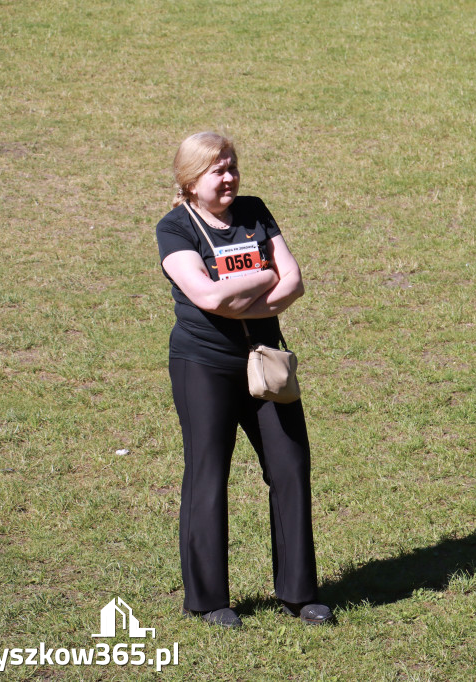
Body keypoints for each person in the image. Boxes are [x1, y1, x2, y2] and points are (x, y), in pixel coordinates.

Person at [155, 132, 332, 626]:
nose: (230, 177)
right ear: (192, 181)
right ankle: (209, 601)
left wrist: (240, 292)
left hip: (265, 358)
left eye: (232, 166)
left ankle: (299, 593)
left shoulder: (254, 211)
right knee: (208, 476)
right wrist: (262, 274)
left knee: (291, 466)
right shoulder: (175, 228)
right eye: (218, 170)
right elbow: (208, 299)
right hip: (202, 366)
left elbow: (293, 280)